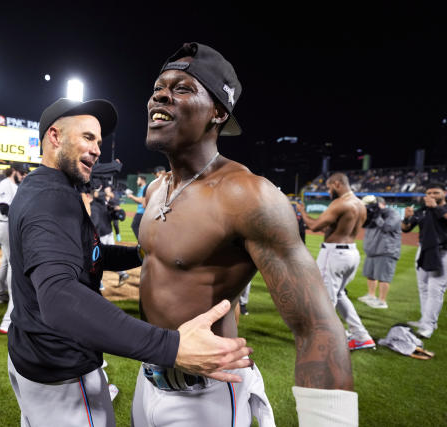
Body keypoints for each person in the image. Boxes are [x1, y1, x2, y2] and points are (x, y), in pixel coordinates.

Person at [135, 43, 356, 427]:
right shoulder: (156, 189)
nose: (161, 93)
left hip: (205, 396)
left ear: (218, 112)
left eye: (183, 88)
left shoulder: (247, 195)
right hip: (147, 380)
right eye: (159, 86)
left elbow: (317, 326)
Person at [6, 97, 254, 427]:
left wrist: (141, 255)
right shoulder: (53, 199)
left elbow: (86, 256)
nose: (96, 149)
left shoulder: (42, 185)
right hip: (61, 371)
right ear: (54, 136)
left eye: (98, 140)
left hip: (32, 357)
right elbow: (60, 298)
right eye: (87, 137)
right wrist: (171, 346)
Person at [297, 172, 375, 352]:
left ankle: (328, 341)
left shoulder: (340, 203)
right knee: (339, 295)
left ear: (338, 183)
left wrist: (302, 212)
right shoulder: (360, 204)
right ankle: (361, 336)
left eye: (329, 186)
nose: (328, 190)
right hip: (352, 253)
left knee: (325, 298)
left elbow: (315, 226)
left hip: (334, 253)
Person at [402, 182, 447, 339]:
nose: (431, 196)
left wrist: (435, 207)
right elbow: (405, 229)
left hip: (443, 252)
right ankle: (425, 320)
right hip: (423, 250)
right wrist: (406, 218)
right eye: (429, 193)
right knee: (423, 288)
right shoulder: (422, 210)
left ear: (444, 193)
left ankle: (428, 326)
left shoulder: (442, 209)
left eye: (435, 193)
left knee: (436, 289)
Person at [0, 163, 24, 334]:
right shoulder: (5, 184)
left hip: (8, 227)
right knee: (15, 266)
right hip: (6, 227)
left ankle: (0, 295)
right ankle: (7, 320)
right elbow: (4, 208)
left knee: (6, 263)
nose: (22, 175)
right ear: (13, 171)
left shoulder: (14, 185)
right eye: (21, 172)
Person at [358, 195, 401, 309]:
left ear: (381, 204)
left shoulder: (393, 213)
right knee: (370, 275)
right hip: (372, 250)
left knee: (383, 277)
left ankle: (382, 301)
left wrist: (377, 215)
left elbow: (387, 227)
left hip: (386, 251)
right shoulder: (371, 215)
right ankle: (371, 296)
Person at [91, 186, 129, 287]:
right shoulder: (101, 203)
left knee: (97, 258)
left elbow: (112, 215)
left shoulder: (102, 203)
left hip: (104, 234)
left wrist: (118, 213)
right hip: (105, 233)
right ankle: (122, 273)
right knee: (107, 256)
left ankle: (99, 281)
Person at [127, 175, 147, 239]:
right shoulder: (142, 189)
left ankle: (141, 243)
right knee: (142, 228)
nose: (137, 181)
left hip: (141, 212)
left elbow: (141, 201)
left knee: (134, 226)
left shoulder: (144, 188)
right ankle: (143, 243)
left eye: (138, 180)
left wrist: (131, 196)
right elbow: (138, 201)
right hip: (141, 211)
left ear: (142, 180)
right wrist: (132, 197)